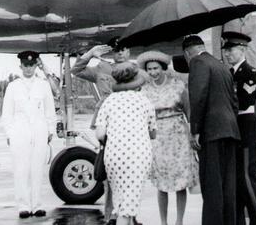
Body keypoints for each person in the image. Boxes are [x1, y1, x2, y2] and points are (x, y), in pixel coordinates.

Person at [71, 36, 141, 225]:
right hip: (107, 123)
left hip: (129, 124)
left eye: (123, 49)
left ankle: (130, 214)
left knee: (131, 169)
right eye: (116, 50)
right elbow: (75, 70)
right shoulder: (101, 68)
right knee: (110, 171)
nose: (119, 53)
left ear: (128, 52)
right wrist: (89, 55)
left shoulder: (135, 70)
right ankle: (111, 215)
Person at [183, 34, 240, 225]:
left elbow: (198, 98)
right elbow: (234, 102)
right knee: (228, 185)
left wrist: (195, 130)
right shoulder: (221, 65)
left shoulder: (198, 63)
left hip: (212, 132)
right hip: (230, 130)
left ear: (187, 54)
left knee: (212, 185)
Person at [137, 51, 198, 225]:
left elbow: (189, 112)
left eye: (156, 68)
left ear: (163, 68)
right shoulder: (145, 90)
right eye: (149, 69)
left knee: (180, 182)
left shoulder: (178, 86)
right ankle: (163, 221)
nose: (153, 72)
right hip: (157, 138)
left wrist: (193, 134)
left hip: (179, 137)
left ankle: (179, 221)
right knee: (161, 183)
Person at [95, 62, 156, 225]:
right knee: (129, 205)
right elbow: (153, 132)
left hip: (114, 156)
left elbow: (100, 133)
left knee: (121, 201)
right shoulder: (144, 101)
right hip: (138, 156)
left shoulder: (108, 102)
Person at [221, 32, 256, 225]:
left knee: (248, 180)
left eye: (230, 50)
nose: (227, 54)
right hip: (236, 130)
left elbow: (244, 101)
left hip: (247, 129)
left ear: (242, 50)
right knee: (237, 182)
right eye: (225, 50)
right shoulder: (230, 73)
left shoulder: (250, 72)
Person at [1, 50, 57, 219]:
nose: (29, 68)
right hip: (19, 130)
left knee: (37, 168)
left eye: (32, 65)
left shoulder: (43, 85)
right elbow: (7, 114)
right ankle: (23, 206)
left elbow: (49, 110)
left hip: (39, 130)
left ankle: (37, 205)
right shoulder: (13, 86)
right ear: (21, 66)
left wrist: (50, 130)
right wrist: (10, 133)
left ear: (35, 66)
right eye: (26, 65)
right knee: (21, 169)